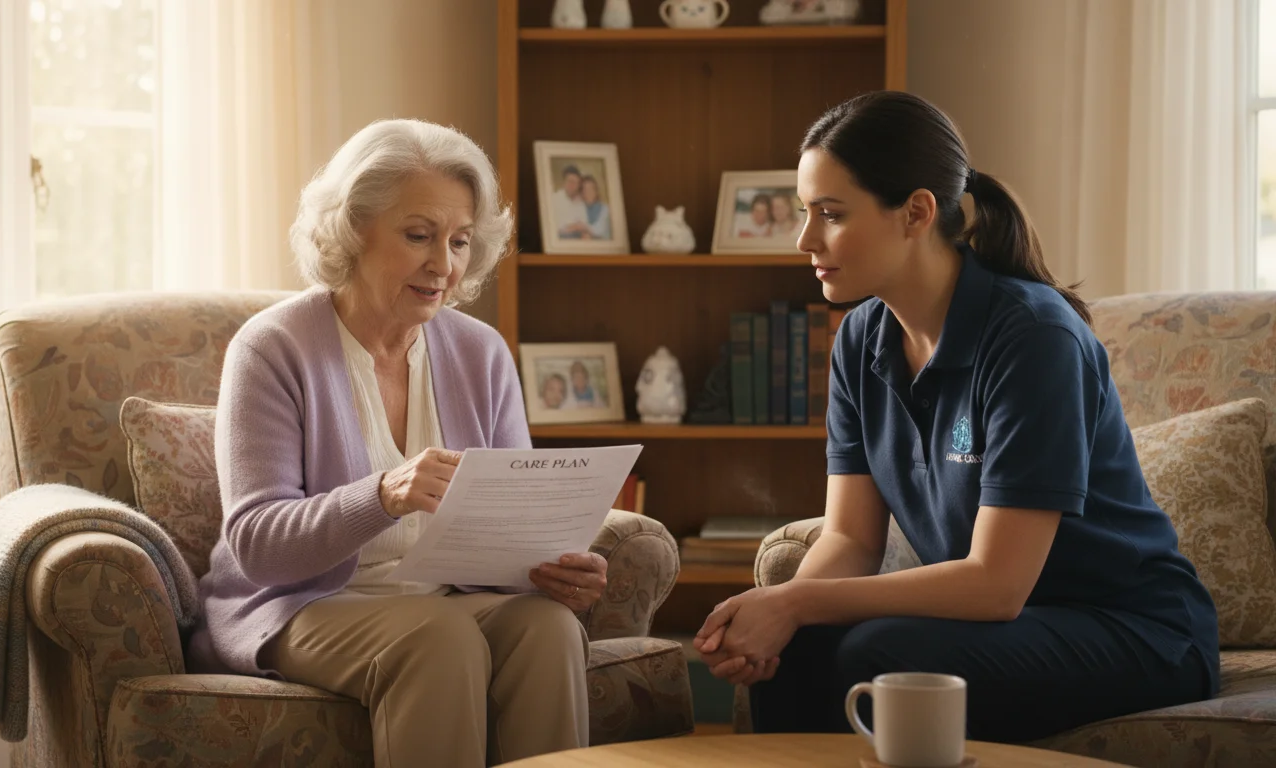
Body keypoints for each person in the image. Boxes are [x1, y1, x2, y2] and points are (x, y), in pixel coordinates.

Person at [693, 90, 1219, 743]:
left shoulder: (1033, 339)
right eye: (806, 213)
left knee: (879, 655)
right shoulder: (861, 339)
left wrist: (793, 600)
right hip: (1005, 622)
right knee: (804, 648)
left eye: (830, 214)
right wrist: (780, 619)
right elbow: (852, 540)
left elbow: (996, 585)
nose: (805, 239)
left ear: (916, 212)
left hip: (1134, 632)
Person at [189, 118, 609, 768]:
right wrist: (382, 496)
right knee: (438, 639)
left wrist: (555, 566)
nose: (444, 264)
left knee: (548, 629)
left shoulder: (481, 352)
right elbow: (259, 545)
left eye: (460, 241)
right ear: (353, 229)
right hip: (302, 605)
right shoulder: (273, 349)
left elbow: (516, 516)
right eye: (419, 236)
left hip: (445, 601)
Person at [551, 164, 590, 239]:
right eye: (570, 181)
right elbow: (553, 228)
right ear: (564, 182)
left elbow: (584, 225)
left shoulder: (581, 203)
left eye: (575, 183)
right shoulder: (554, 199)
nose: (572, 185)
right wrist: (574, 227)